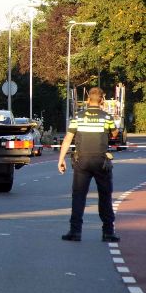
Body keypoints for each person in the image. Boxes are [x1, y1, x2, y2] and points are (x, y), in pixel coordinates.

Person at [58, 87, 119, 242]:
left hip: (82, 161)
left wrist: (61, 159)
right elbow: (114, 133)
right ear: (102, 100)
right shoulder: (107, 117)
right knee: (105, 196)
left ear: (87, 100)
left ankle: (75, 232)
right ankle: (108, 232)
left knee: (79, 196)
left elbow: (68, 138)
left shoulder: (78, 117)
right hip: (101, 161)